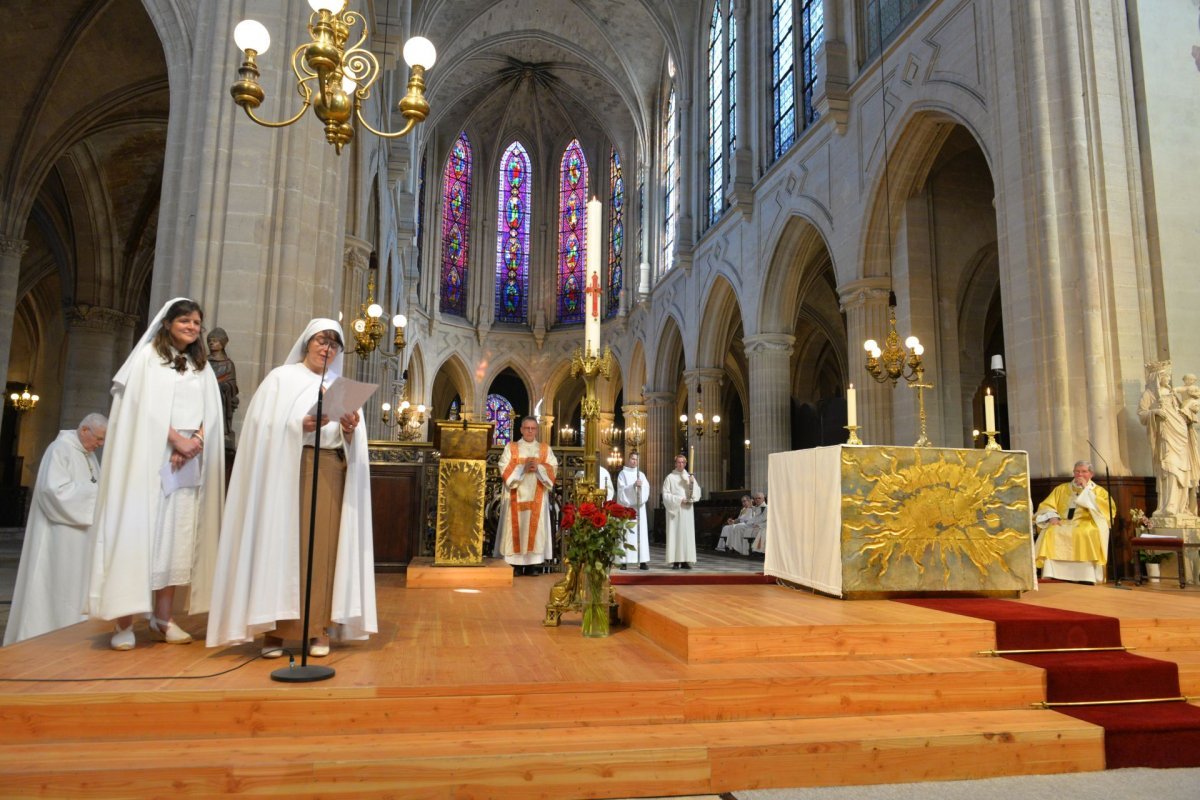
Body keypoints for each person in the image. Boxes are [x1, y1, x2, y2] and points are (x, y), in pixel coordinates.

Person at [206, 320, 376, 657]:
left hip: (329, 467)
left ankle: (318, 630)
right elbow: (260, 426)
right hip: (286, 468)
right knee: (279, 545)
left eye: (333, 344)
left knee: (323, 550)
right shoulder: (280, 379)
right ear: (307, 343)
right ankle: (274, 632)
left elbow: (353, 441)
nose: (326, 349)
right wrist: (298, 424)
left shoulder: (338, 385)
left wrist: (349, 428)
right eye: (321, 341)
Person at [85, 297, 225, 650]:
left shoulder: (201, 367)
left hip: (186, 466)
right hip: (148, 461)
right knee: (139, 536)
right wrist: (176, 440)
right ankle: (124, 621)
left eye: (196, 323)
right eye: (186, 322)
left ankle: (163, 618)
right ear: (167, 323)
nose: (192, 328)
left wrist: (194, 442)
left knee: (175, 541)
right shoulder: (148, 360)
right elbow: (138, 410)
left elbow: (213, 413)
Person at [4, 414, 107, 645]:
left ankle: (73, 631)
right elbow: (54, 491)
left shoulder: (88, 455)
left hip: (81, 536)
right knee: (55, 584)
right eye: (99, 439)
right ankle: (46, 634)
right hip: (60, 534)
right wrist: (100, 494)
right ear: (84, 431)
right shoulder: (60, 449)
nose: (100, 445)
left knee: (74, 585)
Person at [1033, 460, 1113, 584]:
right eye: (1077, 471)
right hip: (1062, 521)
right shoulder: (1061, 489)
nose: (1080, 474)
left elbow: (1106, 510)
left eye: (1084, 472)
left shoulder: (1098, 491)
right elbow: (1046, 505)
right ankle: (1052, 573)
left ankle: (1087, 576)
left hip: (1087, 522)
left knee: (1087, 532)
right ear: (1073, 473)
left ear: (1091, 474)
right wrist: (1052, 516)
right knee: (1051, 530)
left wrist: (1086, 489)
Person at [497, 416, 558, 575]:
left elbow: (553, 467)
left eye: (533, 428)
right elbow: (503, 465)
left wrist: (539, 467)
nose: (530, 431)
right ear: (521, 429)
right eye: (527, 428)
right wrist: (522, 469)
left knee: (535, 529)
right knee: (517, 527)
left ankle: (532, 565)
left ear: (537, 430)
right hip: (516, 494)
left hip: (537, 494)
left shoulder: (544, 449)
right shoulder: (512, 447)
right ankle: (515, 565)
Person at [1137, 362, 1193, 517]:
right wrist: (1154, 412)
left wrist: (1186, 413)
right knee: (1170, 468)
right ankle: (1169, 505)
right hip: (1166, 434)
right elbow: (1142, 414)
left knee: (1182, 469)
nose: (1168, 378)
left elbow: (1181, 410)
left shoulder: (1172, 393)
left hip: (1180, 432)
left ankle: (1182, 507)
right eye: (1165, 375)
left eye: (1169, 375)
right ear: (1158, 377)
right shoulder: (1149, 394)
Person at [662, 454, 701, 569]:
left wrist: (691, 485)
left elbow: (697, 493)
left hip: (687, 510)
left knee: (686, 535)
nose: (681, 464)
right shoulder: (670, 477)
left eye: (683, 462)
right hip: (676, 510)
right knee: (676, 534)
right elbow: (665, 495)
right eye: (678, 462)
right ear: (675, 464)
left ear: (685, 464)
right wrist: (679, 500)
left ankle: (685, 560)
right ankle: (675, 561)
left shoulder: (689, 477)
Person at [615, 452, 650, 569]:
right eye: (632, 459)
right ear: (628, 459)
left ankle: (642, 561)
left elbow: (646, 490)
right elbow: (621, 492)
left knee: (640, 534)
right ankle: (623, 561)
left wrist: (641, 488)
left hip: (639, 509)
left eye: (636, 459)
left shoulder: (641, 475)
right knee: (627, 533)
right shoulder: (622, 474)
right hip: (627, 509)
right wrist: (633, 487)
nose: (635, 461)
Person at [207, 327, 239, 451]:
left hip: (221, 397)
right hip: (206, 394)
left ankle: (221, 428)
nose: (211, 343)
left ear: (222, 343)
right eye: (210, 341)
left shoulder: (228, 364)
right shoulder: (204, 361)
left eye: (215, 341)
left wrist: (226, 386)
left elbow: (233, 384)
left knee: (220, 392)